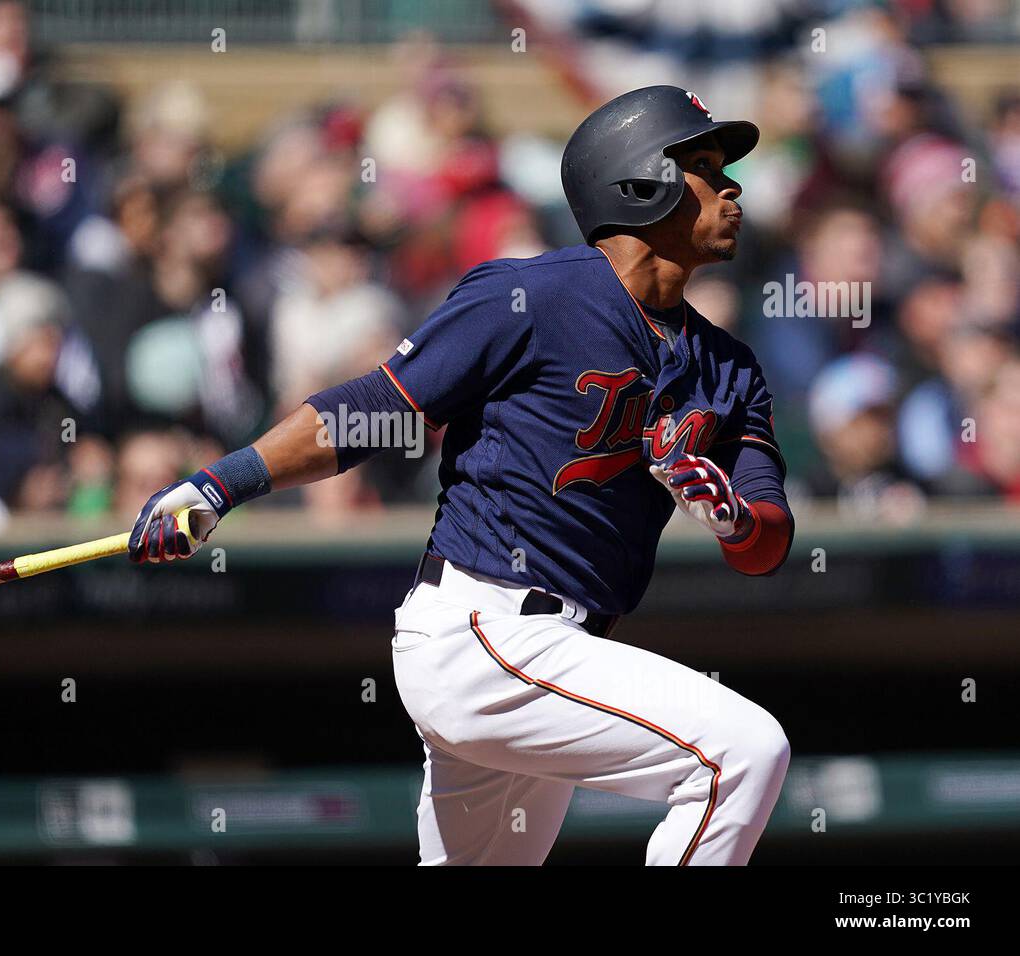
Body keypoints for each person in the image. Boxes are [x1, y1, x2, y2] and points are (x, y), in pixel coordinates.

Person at [128, 87, 795, 866]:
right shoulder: (535, 296)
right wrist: (220, 485)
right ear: (639, 180)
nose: (732, 188)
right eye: (706, 167)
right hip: (484, 631)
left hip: (554, 656)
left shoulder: (731, 368)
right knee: (745, 751)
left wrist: (735, 521)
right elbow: (379, 407)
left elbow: (766, 543)